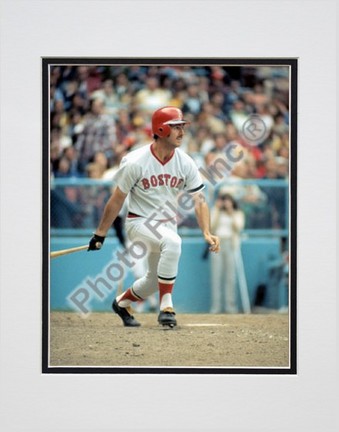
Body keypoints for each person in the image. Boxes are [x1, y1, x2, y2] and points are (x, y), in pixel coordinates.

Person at [87, 106, 220, 327]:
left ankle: (121, 303)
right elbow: (117, 199)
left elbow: (200, 199)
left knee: (152, 281)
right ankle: (167, 307)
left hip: (167, 225)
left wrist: (206, 231)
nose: (181, 131)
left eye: (182, 126)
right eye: (175, 127)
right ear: (160, 129)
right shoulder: (135, 161)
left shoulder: (185, 162)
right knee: (174, 243)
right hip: (138, 222)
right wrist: (100, 233)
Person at [209, 192, 245, 314]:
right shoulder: (216, 211)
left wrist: (231, 212)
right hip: (217, 244)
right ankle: (216, 307)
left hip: (230, 243)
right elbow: (211, 227)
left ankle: (230, 306)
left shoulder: (237, 213)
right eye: (223, 200)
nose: (225, 203)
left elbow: (238, 227)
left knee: (231, 276)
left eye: (228, 200)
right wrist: (218, 210)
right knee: (216, 276)